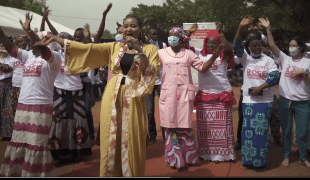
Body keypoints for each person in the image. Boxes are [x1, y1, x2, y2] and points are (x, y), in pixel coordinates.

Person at [36, 13, 160, 177]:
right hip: (112, 95)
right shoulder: (114, 47)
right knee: (111, 135)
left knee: (132, 136)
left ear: (140, 29)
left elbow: (149, 71)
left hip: (134, 96)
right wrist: (56, 38)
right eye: (126, 26)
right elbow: (87, 49)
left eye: (133, 26)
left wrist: (139, 50)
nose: (129, 29)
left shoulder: (150, 49)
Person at [0, 13, 61, 177]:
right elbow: (9, 46)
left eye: (34, 40)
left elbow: (44, 49)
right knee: (19, 141)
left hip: (41, 107)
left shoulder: (54, 59)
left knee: (36, 144)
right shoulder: (28, 56)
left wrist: (29, 31)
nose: (30, 43)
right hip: (23, 105)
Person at [159, 27, 224, 169]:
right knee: (170, 126)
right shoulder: (161, 53)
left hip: (184, 94)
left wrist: (214, 56)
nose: (172, 38)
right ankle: (173, 158)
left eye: (175, 36)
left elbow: (202, 67)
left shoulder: (188, 54)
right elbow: (150, 68)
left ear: (181, 39)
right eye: (170, 35)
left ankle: (189, 157)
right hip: (168, 94)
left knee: (185, 126)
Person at [259, 17, 310, 168]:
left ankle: (302, 157)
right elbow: (272, 44)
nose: (291, 48)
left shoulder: (308, 62)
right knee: (286, 131)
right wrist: (268, 29)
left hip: (303, 102)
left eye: (294, 46)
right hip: (285, 100)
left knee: (302, 132)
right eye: (290, 45)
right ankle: (286, 156)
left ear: (301, 48)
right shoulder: (285, 59)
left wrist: (305, 73)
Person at [234, 16, 280, 169]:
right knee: (248, 132)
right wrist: (240, 27)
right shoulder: (245, 58)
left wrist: (260, 88)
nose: (257, 48)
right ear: (249, 47)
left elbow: (274, 77)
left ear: (262, 45)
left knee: (260, 133)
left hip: (264, 102)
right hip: (248, 101)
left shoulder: (268, 60)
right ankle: (247, 160)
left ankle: (259, 161)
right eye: (253, 46)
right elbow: (237, 45)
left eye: (259, 45)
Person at [193, 23, 236, 162]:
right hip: (204, 94)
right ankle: (206, 154)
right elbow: (185, 47)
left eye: (214, 43)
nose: (211, 46)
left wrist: (220, 33)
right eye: (209, 43)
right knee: (205, 126)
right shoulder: (199, 54)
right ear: (205, 44)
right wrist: (190, 34)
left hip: (222, 93)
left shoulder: (223, 55)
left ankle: (223, 155)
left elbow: (228, 48)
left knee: (222, 126)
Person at [145, 28, 167, 144]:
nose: (155, 36)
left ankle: (165, 134)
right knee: (150, 110)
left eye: (156, 34)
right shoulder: (144, 47)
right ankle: (152, 135)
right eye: (153, 34)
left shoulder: (162, 45)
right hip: (149, 81)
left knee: (163, 108)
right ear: (148, 36)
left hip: (161, 81)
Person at [0, 42, 14, 140]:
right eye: (0, 45)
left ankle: (6, 134)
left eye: (3, 45)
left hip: (8, 85)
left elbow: (7, 69)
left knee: (7, 109)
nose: (2, 47)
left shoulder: (12, 59)